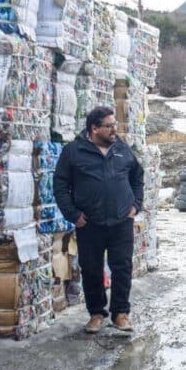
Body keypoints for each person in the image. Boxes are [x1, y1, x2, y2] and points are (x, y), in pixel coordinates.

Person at [54, 106, 144, 334]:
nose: (115, 129)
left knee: (122, 268)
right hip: (90, 223)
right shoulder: (74, 151)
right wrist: (72, 214)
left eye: (115, 125)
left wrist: (136, 204)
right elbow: (60, 185)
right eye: (109, 126)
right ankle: (96, 314)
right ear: (94, 128)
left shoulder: (122, 149)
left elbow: (137, 176)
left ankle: (121, 314)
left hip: (121, 221)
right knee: (92, 269)